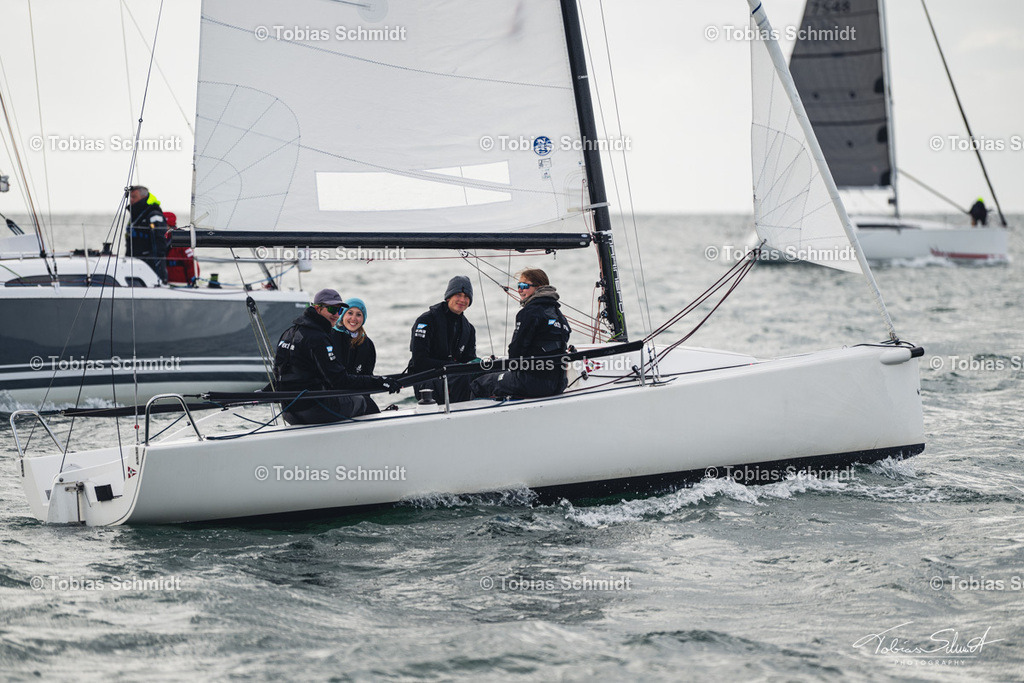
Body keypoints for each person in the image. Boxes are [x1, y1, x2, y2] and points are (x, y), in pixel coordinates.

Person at [273, 288, 397, 425]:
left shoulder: (289, 332)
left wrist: (262, 393)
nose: (336, 315)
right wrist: (378, 381)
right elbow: (339, 380)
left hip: (289, 412)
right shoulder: (318, 337)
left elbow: (278, 374)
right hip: (314, 410)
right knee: (365, 402)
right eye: (332, 309)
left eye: (339, 310)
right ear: (317, 308)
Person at [471, 268, 570, 400]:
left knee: (479, 384)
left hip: (532, 383)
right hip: (559, 384)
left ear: (538, 287)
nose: (519, 290)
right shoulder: (559, 315)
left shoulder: (529, 312)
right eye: (519, 286)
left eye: (524, 286)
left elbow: (516, 352)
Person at [407, 276, 477, 403]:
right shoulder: (426, 321)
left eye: (466, 297)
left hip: (454, 378)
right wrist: (455, 367)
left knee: (485, 374)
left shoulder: (469, 329)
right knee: (463, 377)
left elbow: (469, 359)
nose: (462, 300)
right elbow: (419, 361)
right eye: (458, 295)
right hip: (426, 380)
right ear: (448, 297)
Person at [331, 297, 380, 414]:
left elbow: (368, 375)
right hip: (333, 396)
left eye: (358, 314)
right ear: (342, 315)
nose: (353, 318)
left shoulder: (367, 344)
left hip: (357, 395)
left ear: (363, 318)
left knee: (371, 407)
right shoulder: (330, 336)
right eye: (350, 313)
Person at [125, 185, 169, 282]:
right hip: (134, 261)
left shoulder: (154, 214)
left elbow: (161, 242)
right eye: (130, 197)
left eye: (134, 197)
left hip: (151, 265)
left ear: (143, 197)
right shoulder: (135, 216)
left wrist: (151, 260)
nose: (131, 200)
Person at [163, 211, 199, 286]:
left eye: (164, 225)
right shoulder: (158, 241)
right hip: (164, 285)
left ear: (170, 226)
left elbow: (192, 264)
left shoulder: (181, 243)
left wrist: (192, 283)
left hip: (181, 285)